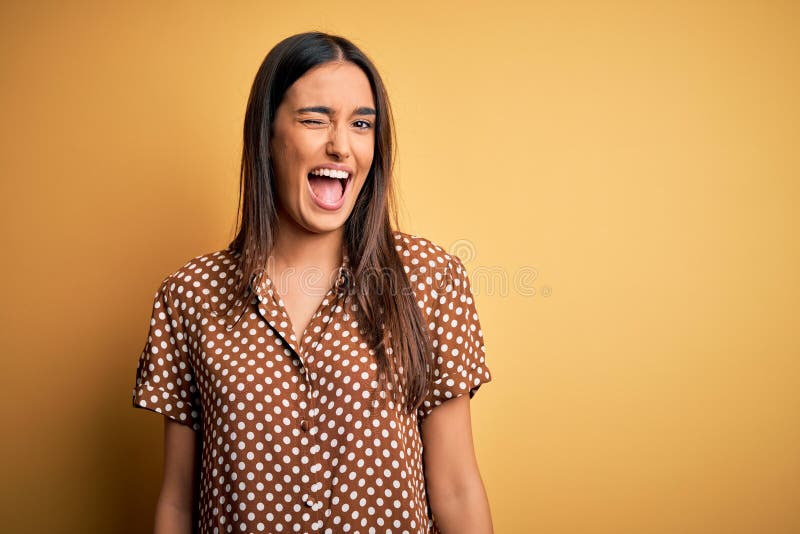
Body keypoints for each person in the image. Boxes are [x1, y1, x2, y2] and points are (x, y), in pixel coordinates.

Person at [131, 31, 493, 534]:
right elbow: (177, 502)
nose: (340, 145)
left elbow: (456, 488)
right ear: (266, 135)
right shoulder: (189, 295)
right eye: (314, 119)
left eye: (361, 124)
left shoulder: (430, 280)